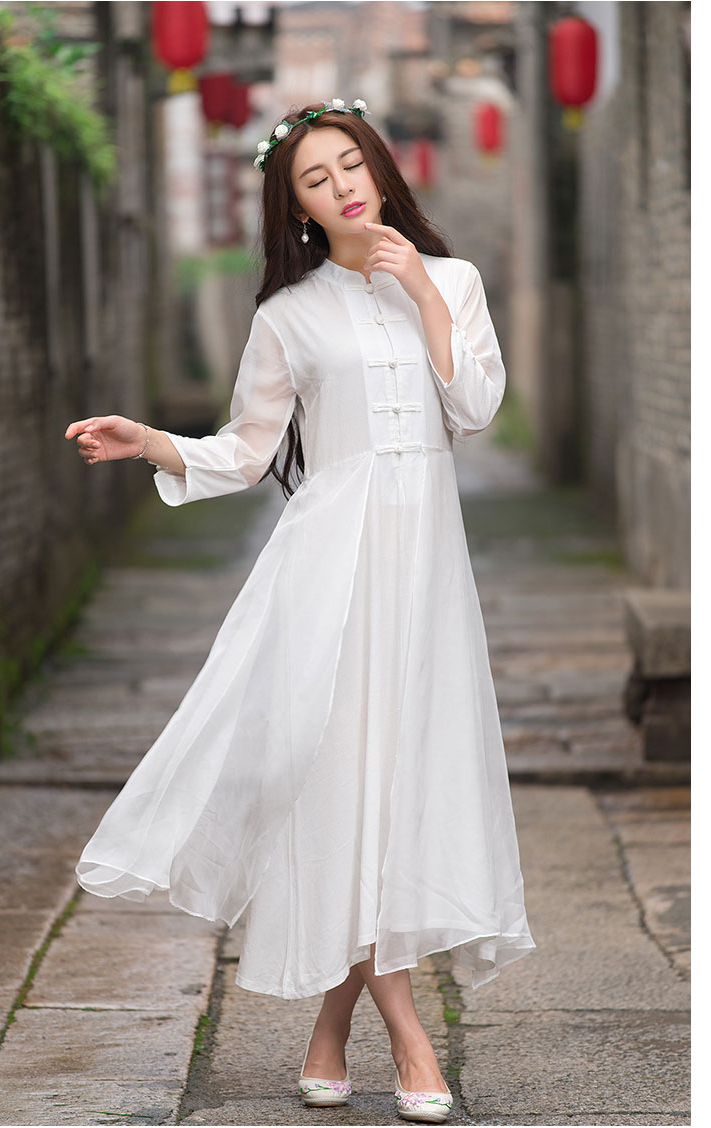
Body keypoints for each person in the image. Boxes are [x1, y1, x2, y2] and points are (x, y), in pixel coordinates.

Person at [65, 98, 536, 1124]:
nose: (341, 187)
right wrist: (152, 443)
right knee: (338, 788)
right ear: (297, 211)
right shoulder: (287, 316)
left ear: (380, 167)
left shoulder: (453, 280)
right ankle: (410, 1039)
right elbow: (247, 450)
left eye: (349, 165)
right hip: (330, 567)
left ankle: (328, 1031)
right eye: (315, 181)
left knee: (399, 790)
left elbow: (475, 409)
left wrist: (420, 287)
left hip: (427, 573)